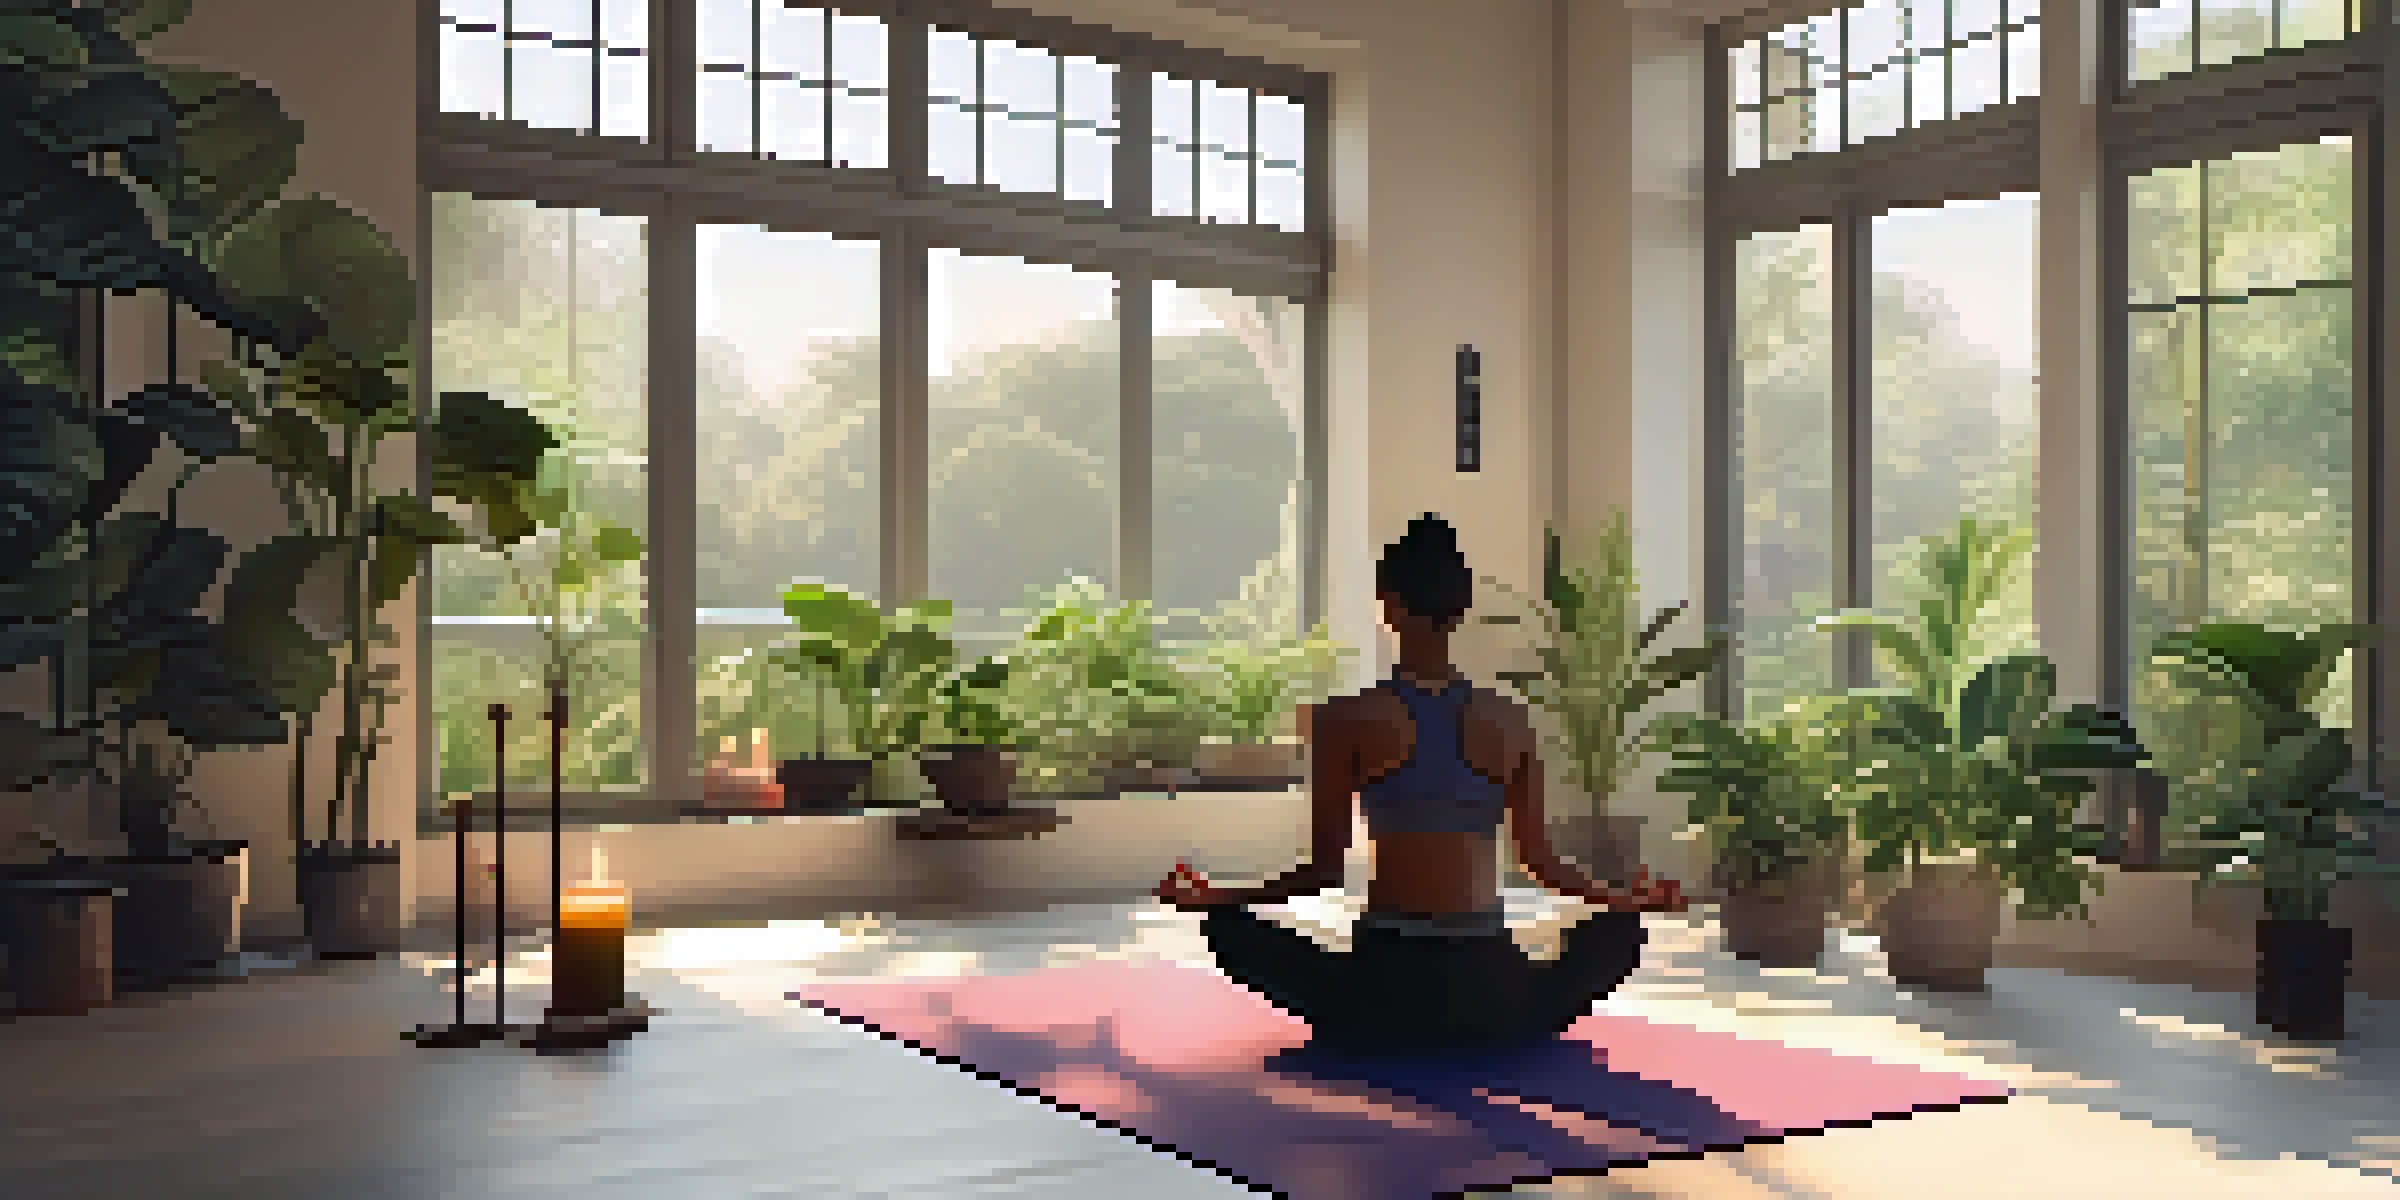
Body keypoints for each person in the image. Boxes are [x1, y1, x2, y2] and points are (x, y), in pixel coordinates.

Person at [1154, 513, 1687, 1054]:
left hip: (1385, 987)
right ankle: (1505, 1020)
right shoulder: (1511, 721)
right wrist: (1629, 898)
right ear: (1462, 607)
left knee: (1229, 930)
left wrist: (1217, 896)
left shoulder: (1345, 720)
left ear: (1387, 605)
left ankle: (1369, 1022)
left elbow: (1321, 870)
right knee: (1618, 934)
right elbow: (1542, 866)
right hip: (1490, 989)